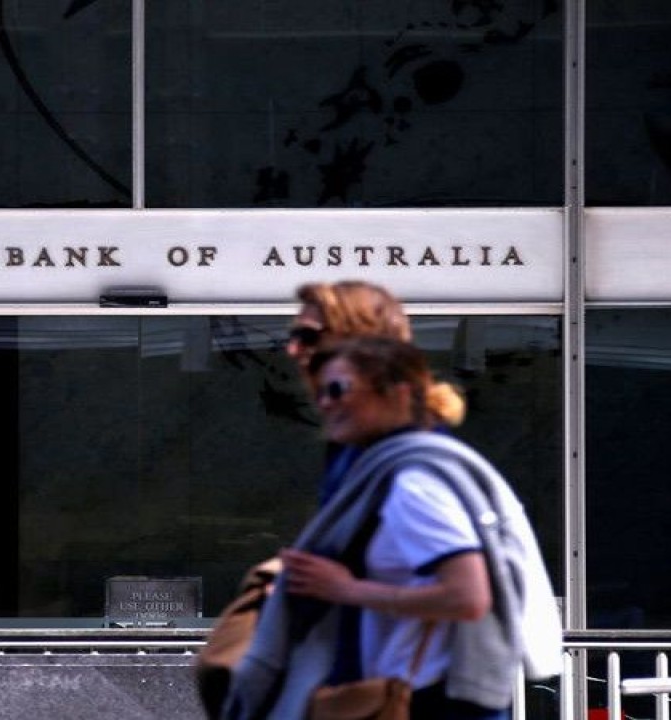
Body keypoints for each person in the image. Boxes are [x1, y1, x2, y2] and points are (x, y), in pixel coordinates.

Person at [221, 336, 561, 719]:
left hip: (429, 700)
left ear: (397, 394)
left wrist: (345, 588)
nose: (326, 402)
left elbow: (468, 596)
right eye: (320, 392)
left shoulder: (413, 485)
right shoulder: (416, 468)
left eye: (339, 389)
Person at [285, 280, 464, 506]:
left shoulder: (415, 463)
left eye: (308, 336)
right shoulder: (356, 440)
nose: (293, 350)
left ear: (362, 343)